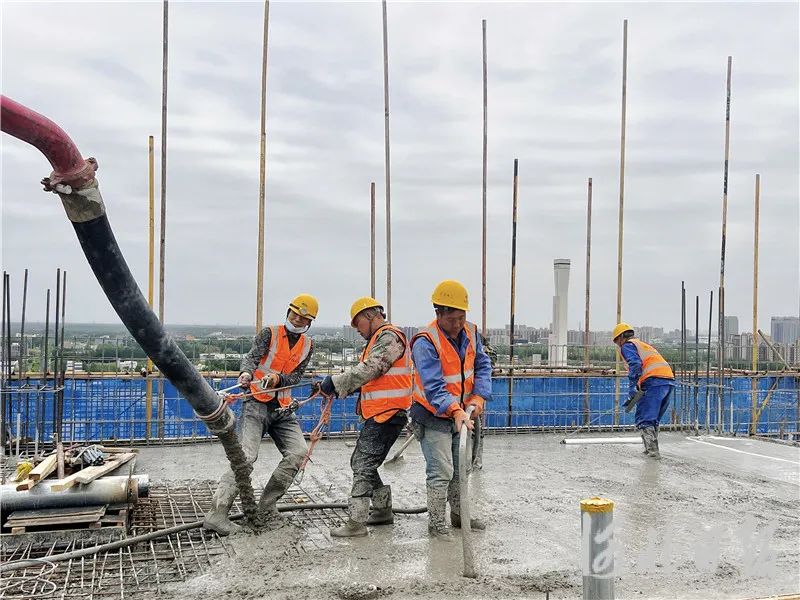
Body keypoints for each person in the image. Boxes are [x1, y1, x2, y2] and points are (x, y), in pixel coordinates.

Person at [203, 294, 317, 535]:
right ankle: (217, 513)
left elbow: (296, 376)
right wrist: (246, 374)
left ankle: (266, 507)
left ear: (309, 322)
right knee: (246, 457)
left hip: (282, 408)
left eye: (302, 318)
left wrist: (279, 379)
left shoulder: (308, 345)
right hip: (256, 402)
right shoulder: (269, 333)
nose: (296, 320)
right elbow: (252, 358)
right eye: (294, 315)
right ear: (288, 313)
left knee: (298, 453)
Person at [315, 297, 412, 537]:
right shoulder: (378, 340)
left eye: (358, 323)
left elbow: (371, 368)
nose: (357, 330)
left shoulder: (390, 337)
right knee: (362, 462)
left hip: (388, 413)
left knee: (363, 464)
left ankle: (356, 523)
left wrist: (335, 383)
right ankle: (382, 509)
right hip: (381, 413)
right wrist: (336, 387)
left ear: (371, 316)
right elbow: (374, 379)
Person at [410, 280, 493, 541]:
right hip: (433, 415)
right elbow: (434, 387)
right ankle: (436, 525)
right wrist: (456, 410)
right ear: (439, 313)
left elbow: (482, 365)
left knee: (462, 467)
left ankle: (459, 516)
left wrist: (478, 397)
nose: (459, 324)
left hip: (463, 413)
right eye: (453, 318)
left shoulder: (470, 332)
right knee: (441, 470)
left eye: (462, 317)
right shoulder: (425, 341)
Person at [613, 322, 675, 460]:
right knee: (653, 419)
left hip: (654, 382)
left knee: (645, 418)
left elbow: (635, 364)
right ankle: (650, 450)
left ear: (621, 337)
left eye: (617, 342)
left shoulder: (627, 346)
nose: (618, 345)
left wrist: (632, 386)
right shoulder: (643, 345)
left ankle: (653, 453)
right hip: (668, 381)